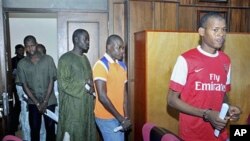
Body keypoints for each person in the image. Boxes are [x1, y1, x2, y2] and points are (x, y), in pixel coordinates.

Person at [167, 12, 241, 141]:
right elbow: (172, 100)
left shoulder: (226, 60)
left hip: (220, 134)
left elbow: (222, 94)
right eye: (215, 30)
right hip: (193, 135)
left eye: (224, 30)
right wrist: (207, 114)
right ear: (201, 31)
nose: (221, 34)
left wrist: (228, 108)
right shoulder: (186, 59)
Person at [56, 29, 96, 141]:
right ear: (76, 40)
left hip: (86, 106)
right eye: (86, 39)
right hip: (72, 108)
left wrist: (91, 87)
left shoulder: (85, 59)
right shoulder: (65, 59)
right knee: (72, 133)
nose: (88, 42)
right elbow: (63, 83)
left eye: (89, 39)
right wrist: (84, 84)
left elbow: (90, 80)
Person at [17, 35, 57, 141]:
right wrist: (37, 103)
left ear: (36, 44)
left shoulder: (48, 59)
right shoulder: (22, 64)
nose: (31, 49)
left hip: (49, 101)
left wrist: (44, 102)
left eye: (32, 45)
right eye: (28, 46)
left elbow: (51, 81)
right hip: (33, 103)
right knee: (34, 130)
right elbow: (24, 85)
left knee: (50, 130)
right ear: (25, 47)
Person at [93, 34, 131, 141]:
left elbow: (124, 94)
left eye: (123, 48)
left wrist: (125, 117)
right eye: (119, 48)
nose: (122, 51)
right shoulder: (101, 65)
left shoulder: (122, 65)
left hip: (120, 116)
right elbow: (102, 97)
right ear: (109, 47)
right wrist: (121, 119)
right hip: (105, 117)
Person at [16, 43, 47, 141]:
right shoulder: (24, 65)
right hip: (29, 105)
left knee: (42, 130)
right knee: (29, 129)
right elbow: (20, 87)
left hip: (44, 106)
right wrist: (33, 99)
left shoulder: (47, 66)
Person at [9, 44, 24, 135]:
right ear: (16, 51)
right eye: (19, 50)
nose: (21, 51)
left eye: (22, 50)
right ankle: (14, 126)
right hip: (15, 85)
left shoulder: (26, 59)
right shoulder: (12, 61)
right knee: (18, 104)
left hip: (26, 85)